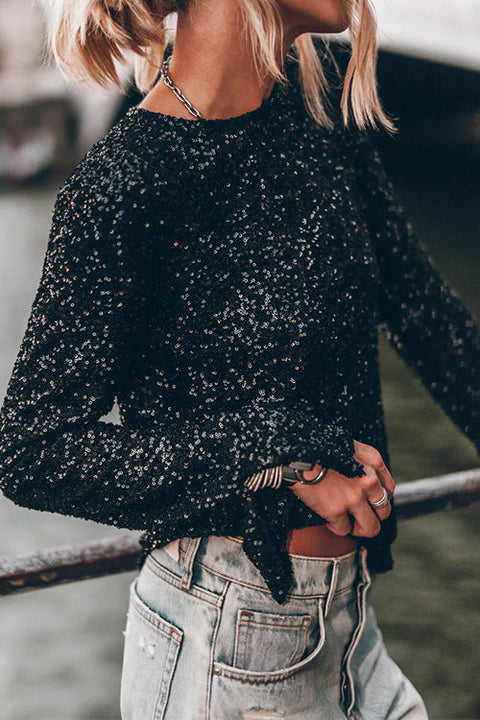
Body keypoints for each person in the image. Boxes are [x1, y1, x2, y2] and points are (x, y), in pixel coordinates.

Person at [0, 0, 479, 717]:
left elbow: (424, 313)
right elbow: (32, 452)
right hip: (225, 644)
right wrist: (282, 453)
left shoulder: (319, 114)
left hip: (348, 625)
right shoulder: (130, 182)